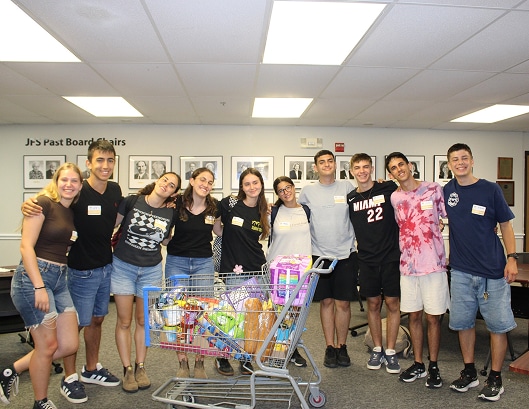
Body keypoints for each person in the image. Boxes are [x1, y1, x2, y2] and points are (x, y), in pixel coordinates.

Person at [21, 140, 122, 404]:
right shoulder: (77, 193)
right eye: (99, 160)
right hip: (78, 271)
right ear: (89, 163)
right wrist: (29, 204)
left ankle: (91, 368)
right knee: (75, 326)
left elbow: (122, 215)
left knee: (97, 320)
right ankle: (69, 377)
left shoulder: (114, 190)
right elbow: (51, 205)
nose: (105, 165)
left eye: (110, 160)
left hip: (105, 266)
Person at [443, 143, 517, 402]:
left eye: (464, 158)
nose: (460, 163)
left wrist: (511, 259)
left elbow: (506, 226)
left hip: (493, 272)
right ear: (449, 164)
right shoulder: (448, 191)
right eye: (455, 159)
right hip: (461, 271)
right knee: (463, 324)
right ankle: (470, 372)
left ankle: (495, 378)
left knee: (497, 327)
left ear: (472, 161)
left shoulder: (490, 189)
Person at [8, 163, 83, 409]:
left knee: (69, 344)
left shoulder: (69, 211)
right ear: (56, 181)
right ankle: (40, 401)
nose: (69, 184)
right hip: (34, 279)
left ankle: (11, 371)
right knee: (47, 346)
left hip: (60, 279)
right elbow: (25, 246)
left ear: (80, 185)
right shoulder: (43, 203)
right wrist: (39, 287)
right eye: (65, 180)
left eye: (74, 181)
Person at [386, 152, 450, 387]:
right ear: (390, 174)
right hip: (409, 267)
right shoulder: (395, 197)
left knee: (434, 318)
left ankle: (434, 365)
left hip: (433, 265)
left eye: (401, 164)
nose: (398, 169)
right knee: (414, 316)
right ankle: (419, 363)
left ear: (410, 165)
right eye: (393, 167)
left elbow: (449, 216)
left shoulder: (433, 188)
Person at [112, 172, 181, 393]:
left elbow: (167, 238)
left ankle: (141, 366)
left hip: (150, 269)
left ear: (174, 192)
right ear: (157, 181)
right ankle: (127, 369)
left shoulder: (170, 212)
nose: (166, 186)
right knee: (124, 320)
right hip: (123, 266)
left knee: (143, 321)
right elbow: (110, 225)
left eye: (172, 186)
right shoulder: (132, 201)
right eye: (165, 181)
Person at [298, 150, 358, 369]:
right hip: (320, 255)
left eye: (329, 161)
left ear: (335, 164)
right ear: (315, 167)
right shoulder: (307, 191)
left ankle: (342, 347)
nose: (326, 165)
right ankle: (330, 346)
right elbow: (298, 216)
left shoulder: (348, 187)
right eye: (321, 162)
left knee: (343, 303)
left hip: (345, 254)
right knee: (326, 302)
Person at [165, 167, 221, 379]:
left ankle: (199, 361)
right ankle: (183, 362)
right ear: (192, 180)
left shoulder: (214, 207)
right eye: (202, 180)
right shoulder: (176, 202)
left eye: (210, 182)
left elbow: (218, 231)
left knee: (202, 313)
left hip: (203, 264)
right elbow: (164, 228)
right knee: (176, 313)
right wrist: (164, 240)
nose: (206, 184)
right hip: (176, 262)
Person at [347, 153, 401, 374]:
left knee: (392, 304)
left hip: (390, 257)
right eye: (357, 167)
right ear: (351, 171)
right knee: (372, 305)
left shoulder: (387, 188)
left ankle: (390, 350)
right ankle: (377, 348)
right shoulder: (350, 198)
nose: (362, 171)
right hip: (367, 259)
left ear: (372, 169)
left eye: (366, 166)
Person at [215, 168, 270, 376]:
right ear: (242, 187)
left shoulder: (263, 210)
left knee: (252, 316)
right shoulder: (230, 204)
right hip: (233, 270)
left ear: (261, 184)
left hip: (257, 268)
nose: (251, 187)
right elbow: (216, 226)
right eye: (247, 184)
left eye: (255, 183)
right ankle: (223, 356)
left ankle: (246, 358)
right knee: (231, 316)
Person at [267, 176, 312, 367]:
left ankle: (291, 349)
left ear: (294, 188)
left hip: (300, 272)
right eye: (281, 190)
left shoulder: (306, 210)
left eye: (288, 187)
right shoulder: (274, 212)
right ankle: (274, 350)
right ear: (277, 194)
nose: (286, 192)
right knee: (277, 312)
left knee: (295, 313)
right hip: (278, 271)